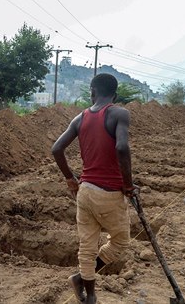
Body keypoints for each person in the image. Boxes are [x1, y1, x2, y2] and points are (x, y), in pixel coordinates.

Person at [51, 73, 137, 304]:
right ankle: (81, 279)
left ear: (92, 92)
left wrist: (70, 178)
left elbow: (56, 149)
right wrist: (128, 185)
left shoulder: (79, 119)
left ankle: (89, 294)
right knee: (119, 241)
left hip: (85, 191)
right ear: (115, 95)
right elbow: (121, 146)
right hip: (109, 193)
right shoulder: (119, 113)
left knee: (87, 246)